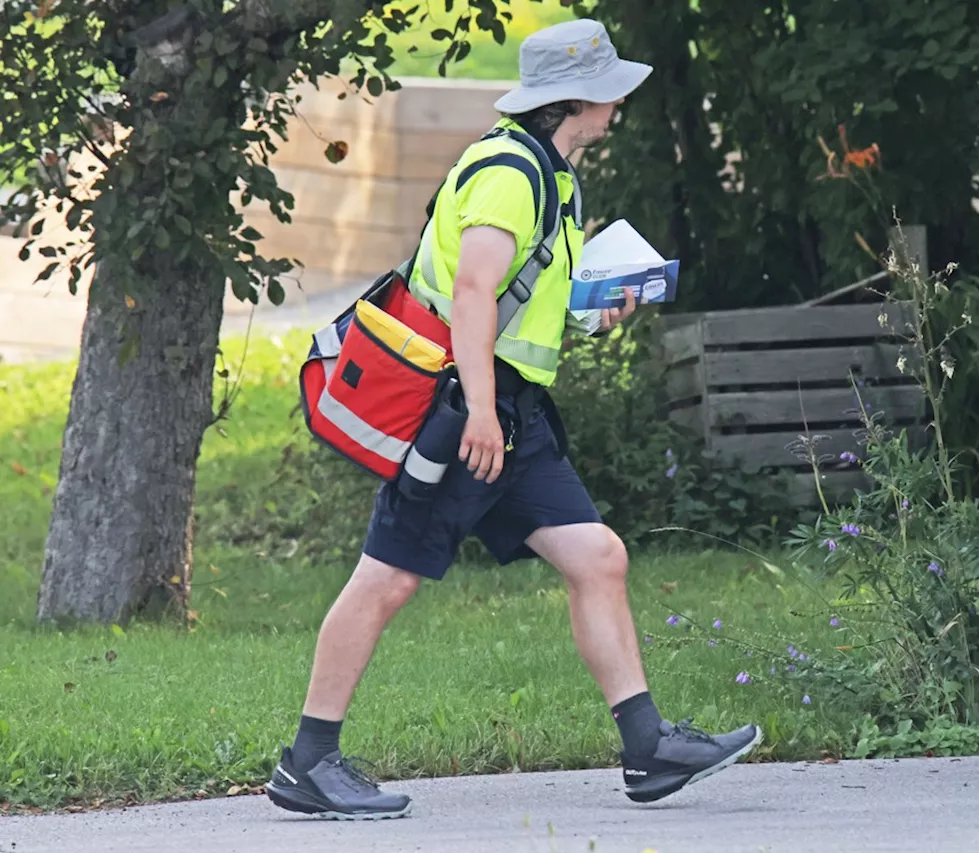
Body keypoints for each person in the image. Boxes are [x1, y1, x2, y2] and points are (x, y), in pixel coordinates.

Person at [265, 18, 762, 821]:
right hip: (464, 412)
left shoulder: (555, 175)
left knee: (597, 555)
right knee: (386, 576)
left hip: (510, 412)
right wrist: (484, 413)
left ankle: (648, 748)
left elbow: (523, 300)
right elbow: (469, 293)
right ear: (576, 98)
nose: (622, 99)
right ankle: (309, 761)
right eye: (610, 87)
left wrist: (599, 311)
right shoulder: (509, 174)